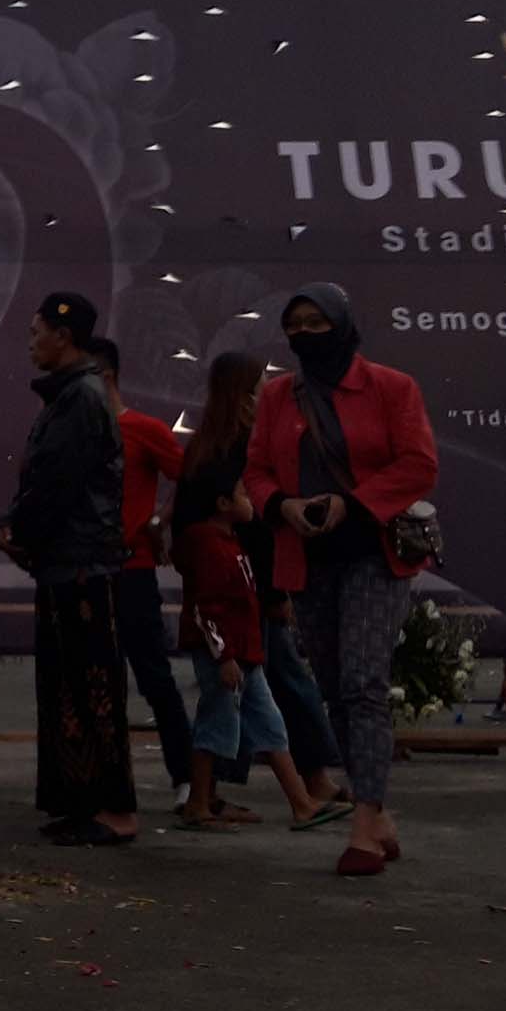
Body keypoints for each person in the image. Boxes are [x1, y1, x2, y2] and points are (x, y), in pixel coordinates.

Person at [242, 283, 439, 878]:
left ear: (343, 325)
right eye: (293, 324)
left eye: (316, 321)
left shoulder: (391, 387)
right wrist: (280, 505)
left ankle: (363, 821)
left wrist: (349, 502)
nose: (304, 333)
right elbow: (254, 469)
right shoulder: (278, 396)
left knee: (362, 685)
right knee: (331, 688)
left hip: (375, 553)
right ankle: (379, 817)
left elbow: (419, 465)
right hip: (306, 556)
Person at [182, 350, 350, 823]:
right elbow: (258, 528)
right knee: (268, 693)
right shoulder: (239, 452)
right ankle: (303, 787)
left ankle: (221, 795)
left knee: (249, 702)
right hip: (241, 598)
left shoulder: (205, 449)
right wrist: (274, 593)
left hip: (235, 596)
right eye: (259, 387)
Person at [0, 291, 136, 847]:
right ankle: (82, 801)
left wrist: (18, 529)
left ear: (64, 335)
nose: (30, 340)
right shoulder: (68, 396)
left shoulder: (80, 397)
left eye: (36, 330)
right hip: (65, 562)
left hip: (83, 565)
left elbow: (57, 484)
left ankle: (117, 808)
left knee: (92, 687)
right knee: (65, 688)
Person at [171, 454, 327, 831]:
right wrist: (223, 657)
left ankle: (302, 803)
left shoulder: (230, 541)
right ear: (222, 504)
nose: (250, 500)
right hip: (228, 658)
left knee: (270, 725)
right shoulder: (210, 548)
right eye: (243, 493)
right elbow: (207, 610)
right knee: (216, 724)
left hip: (246, 655)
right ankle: (198, 804)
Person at [96, 338, 196, 807]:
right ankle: (107, 784)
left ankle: (188, 778)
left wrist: (160, 519)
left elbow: (192, 476)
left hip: (132, 571)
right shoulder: (74, 434)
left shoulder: (144, 430)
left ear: (106, 375)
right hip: (86, 574)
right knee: (99, 680)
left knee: (153, 675)